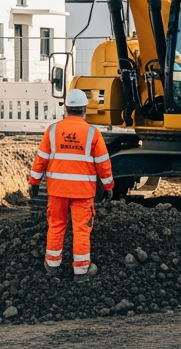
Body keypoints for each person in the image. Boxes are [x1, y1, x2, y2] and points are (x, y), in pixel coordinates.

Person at [29, 89, 114, 280]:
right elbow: (103, 164)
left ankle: (52, 268)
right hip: (83, 192)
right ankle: (82, 272)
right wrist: (108, 186)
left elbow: (40, 159)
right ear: (85, 109)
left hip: (57, 190)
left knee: (56, 226)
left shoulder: (52, 130)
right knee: (81, 230)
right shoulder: (93, 133)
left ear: (66, 108)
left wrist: (34, 182)